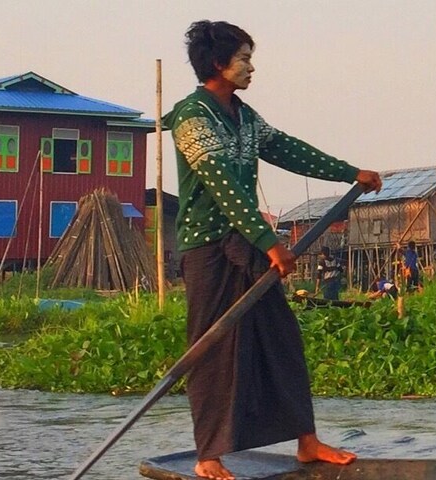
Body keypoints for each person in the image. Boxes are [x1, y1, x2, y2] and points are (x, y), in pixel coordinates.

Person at [164, 20, 383, 480]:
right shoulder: (192, 117)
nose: (251, 67)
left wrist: (350, 172)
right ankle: (208, 456)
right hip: (208, 249)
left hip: (245, 244)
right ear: (218, 64)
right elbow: (222, 186)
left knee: (281, 339)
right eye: (243, 58)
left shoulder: (244, 117)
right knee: (212, 347)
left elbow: (286, 149)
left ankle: (306, 441)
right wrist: (271, 242)